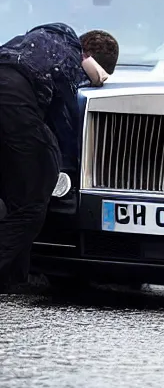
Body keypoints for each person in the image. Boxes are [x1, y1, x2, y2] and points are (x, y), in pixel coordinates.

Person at [0, 23, 118, 293]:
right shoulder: (69, 60)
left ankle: (13, 279)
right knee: (32, 204)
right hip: (15, 102)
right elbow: (65, 123)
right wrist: (70, 167)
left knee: (13, 193)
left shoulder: (44, 37)